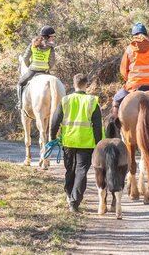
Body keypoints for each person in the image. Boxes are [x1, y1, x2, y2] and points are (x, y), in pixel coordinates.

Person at [49, 73, 104, 212]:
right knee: (81, 171)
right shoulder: (92, 101)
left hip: (68, 141)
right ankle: (74, 201)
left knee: (69, 169)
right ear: (87, 85)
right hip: (86, 143)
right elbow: (97, 126)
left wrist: (52, 137)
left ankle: (69, 193)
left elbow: (55, 121)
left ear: (74, 84)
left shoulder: (66, 100)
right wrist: (99, 145)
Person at [111, 22, 149, 120]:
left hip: (134, 86)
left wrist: (128, 79)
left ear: (133, 36)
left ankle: (115, 126)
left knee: (116, 100)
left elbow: (123, 71)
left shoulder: (129, 50)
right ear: (146, 35)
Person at [16, 26, 58, 110]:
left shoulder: (33, 44)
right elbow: (52, 61)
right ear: (48, 37)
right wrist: (47, 67)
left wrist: (29, 66)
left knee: (20, 84)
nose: (53, 38)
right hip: (45, 71)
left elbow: (25, 58)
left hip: (33, 71)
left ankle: (20, 103)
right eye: (53, 36)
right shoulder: (51, 47)